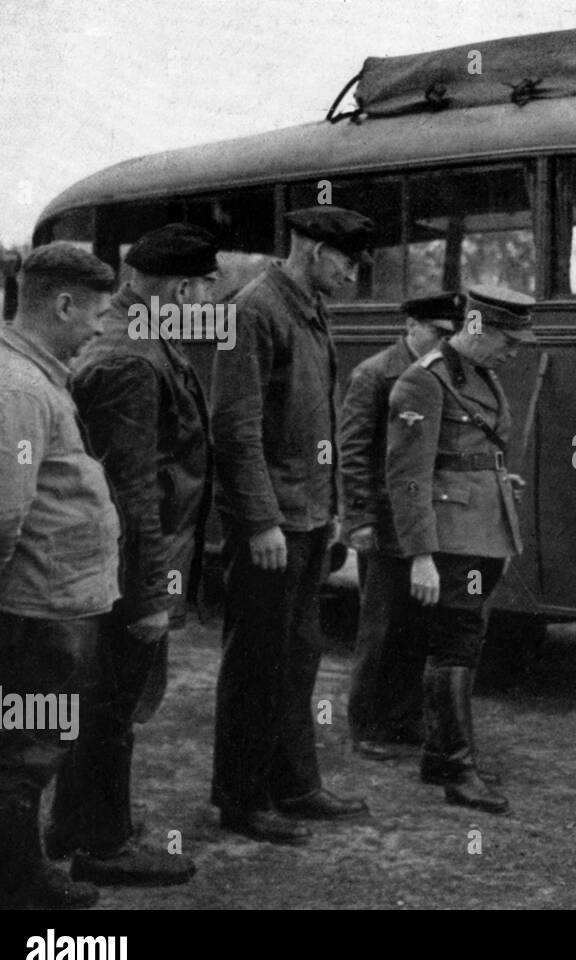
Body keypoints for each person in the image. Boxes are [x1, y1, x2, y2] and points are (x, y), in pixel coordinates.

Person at [45, 224, 218, 886]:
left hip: (113, 559)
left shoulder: (133, 334)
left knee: (101, 699)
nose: (209, 303)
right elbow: (133, 490)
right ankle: (105, 843)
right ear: (180, 287)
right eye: (206, 289)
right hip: (124, 564)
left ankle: (73, 823)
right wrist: (148, 595)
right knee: (113, 704)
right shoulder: (132, 355)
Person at [210, 207, 373, 844]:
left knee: (298, 658)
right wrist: (260, 520)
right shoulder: (256, 310)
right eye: (347, 262)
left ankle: (296, 785)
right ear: (312, 251)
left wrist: (329, 510)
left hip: (305, 518)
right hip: (273, 524)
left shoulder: (307, 306)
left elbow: (318, 422)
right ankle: (242, 799)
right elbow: (236, 427)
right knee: (256, 661)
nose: (354, 276)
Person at [0, 243, 120, 909]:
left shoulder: (26, 374)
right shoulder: (20, 387)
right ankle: (14, 886)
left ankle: (15, 871)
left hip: (39, 600)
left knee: (21, 743)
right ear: (62, 304)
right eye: (94, 312)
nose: (99, 326)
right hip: (36, 607)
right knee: (25, 749)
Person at [385, 284, 535, 814]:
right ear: (477, 327)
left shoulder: (482, 377)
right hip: (450, 537)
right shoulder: (422, 383)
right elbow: (407, 477)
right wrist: (421, 554)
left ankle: (437, 754)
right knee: (456, 641)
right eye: (507, 340)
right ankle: (458, 769)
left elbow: (470, 452)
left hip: (485, 528)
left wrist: (497, 481)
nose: (514, 351)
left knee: (466, 639)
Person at [340, 292, 459, 760]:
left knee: (415, 625)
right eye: (437, 332)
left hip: (422, 521)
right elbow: (352, 452)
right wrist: (361, 519)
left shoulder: (440, 374)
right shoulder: (374, 374)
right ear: (410, 325)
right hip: (385, 522)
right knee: (380, 628)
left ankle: (403, 718)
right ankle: (367, 725)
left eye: (451, 334)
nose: (444, 342)